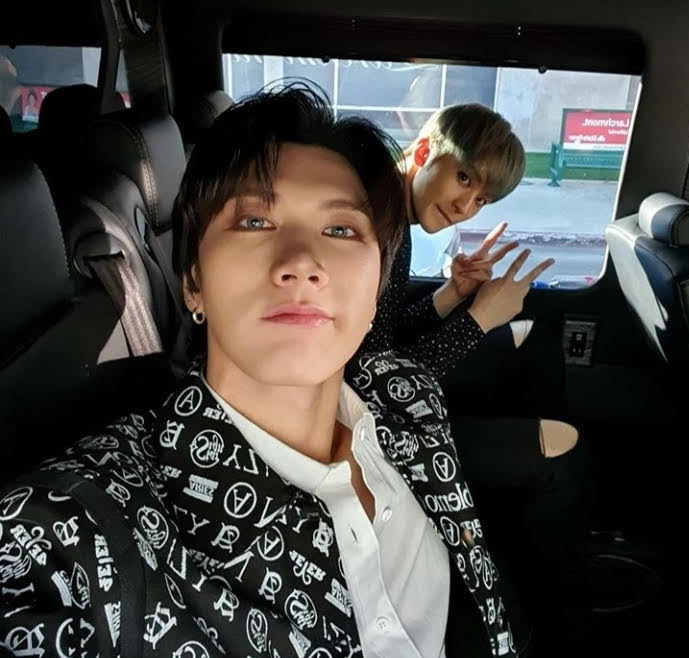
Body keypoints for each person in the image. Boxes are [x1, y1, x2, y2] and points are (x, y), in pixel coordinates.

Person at [0, 85, 552, 657]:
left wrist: (453, 301)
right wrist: (478, 320)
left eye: (341, 231)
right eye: (255, 221)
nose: (303, 264)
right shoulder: (68, 530)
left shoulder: (407, 393)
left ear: (376, 288)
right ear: (193, 280)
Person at [358, 103, 592, 654]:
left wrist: (452, 296)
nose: (466, 206)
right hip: (376, 432)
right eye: (464, 178)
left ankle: (502, 510)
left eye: (482, 199)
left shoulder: (393, 218)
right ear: (424, 151)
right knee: (566, 455)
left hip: (387, 400)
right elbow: (376, 387)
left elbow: (380, 341)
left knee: (532, 340)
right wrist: (479, 317)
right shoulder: (373, 225)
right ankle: (551, 622)